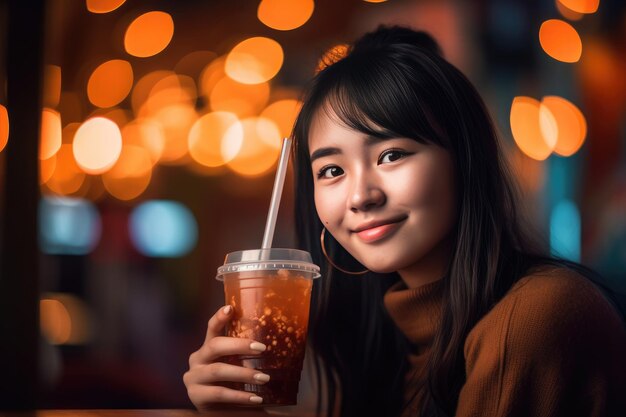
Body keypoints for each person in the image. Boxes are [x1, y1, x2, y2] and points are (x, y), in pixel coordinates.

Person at [184, 26, 626, 416]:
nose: (360, 196)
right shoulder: (386, 343)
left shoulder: (534, 318)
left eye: (391, 155)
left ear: (465, 159)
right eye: (332, 171)